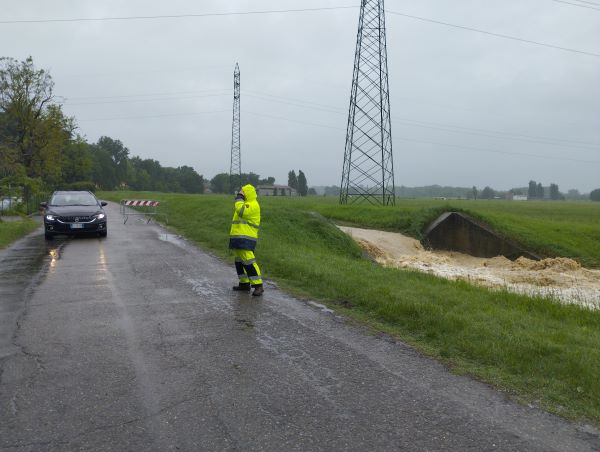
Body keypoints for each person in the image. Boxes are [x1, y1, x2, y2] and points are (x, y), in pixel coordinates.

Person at [229, 184, 264, 296]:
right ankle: (244, 284)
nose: (240, 193)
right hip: (240, 236)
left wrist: (239, 198)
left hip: (246, 237)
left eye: (242, 192)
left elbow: (241, 211)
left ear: (247, 193)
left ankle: (258, 285)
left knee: (248, 260)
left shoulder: (252, 204)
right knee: (239, 261)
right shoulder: (246, 204)